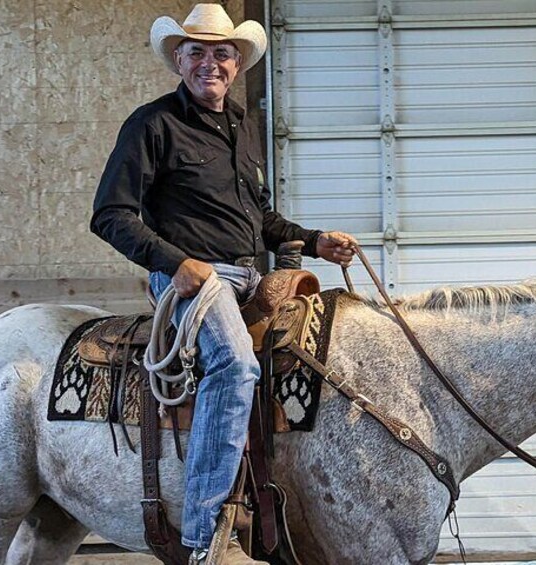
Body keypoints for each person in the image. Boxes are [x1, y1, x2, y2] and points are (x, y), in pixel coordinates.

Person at [90, 4, 357, 563]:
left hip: (249, 275)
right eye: (198, 52)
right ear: (179, 60)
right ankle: (205, 534)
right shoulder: (153, 124)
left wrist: (312, 241)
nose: (210, 62)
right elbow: (112, 214)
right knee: (237, 365)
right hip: (191, 280)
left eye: (222, 53)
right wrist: (177, 262)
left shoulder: (243, 126)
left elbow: (259, 219)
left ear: (236, 64)